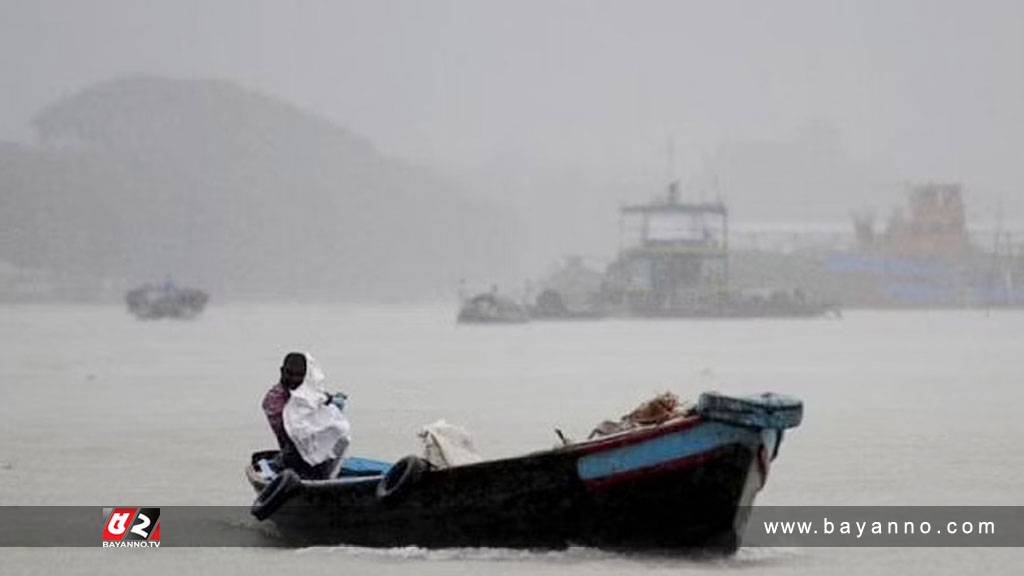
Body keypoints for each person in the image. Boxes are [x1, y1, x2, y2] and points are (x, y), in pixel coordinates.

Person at [262, 352, 350, 479]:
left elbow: (322, 399)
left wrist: (332, 402)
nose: (293, 379)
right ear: (282, 371)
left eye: (299, 375)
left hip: (318, 458)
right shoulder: (274, 399)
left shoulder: (307, 393)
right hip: (292, 457)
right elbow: (289, 431)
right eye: (289, 373)